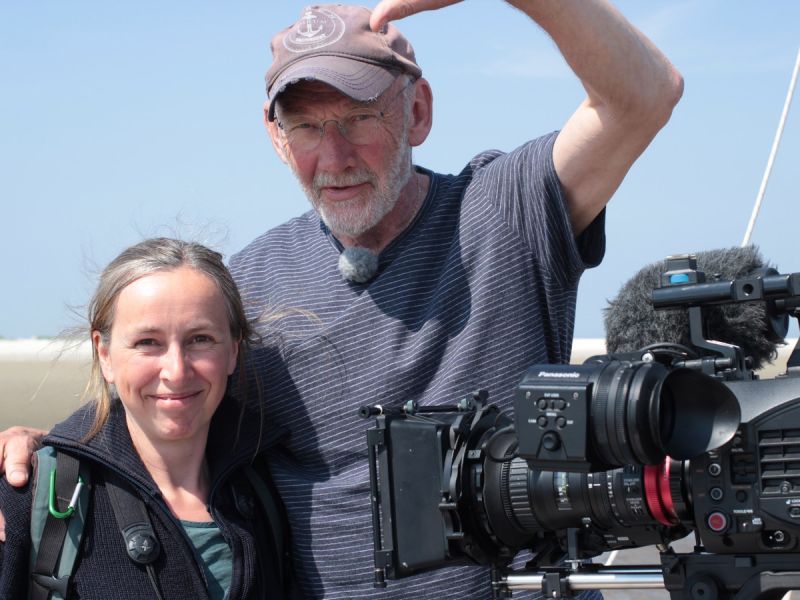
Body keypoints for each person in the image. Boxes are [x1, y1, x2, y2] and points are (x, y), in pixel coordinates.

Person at [0, 1, 683, 598]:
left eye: (359, 117)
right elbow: (158, 398)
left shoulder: (507, 212)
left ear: (418, 111)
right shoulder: (250, 283)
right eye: (306, 126)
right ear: (276, 136)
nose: (334, 156)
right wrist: (36, 455)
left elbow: (646, 94)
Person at [0, 238, 292, 599]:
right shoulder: (28, 499)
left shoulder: (273, 488)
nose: (176, 371)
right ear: (104, 354)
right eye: (148, 342)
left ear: (233, 349)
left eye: (200, 339)